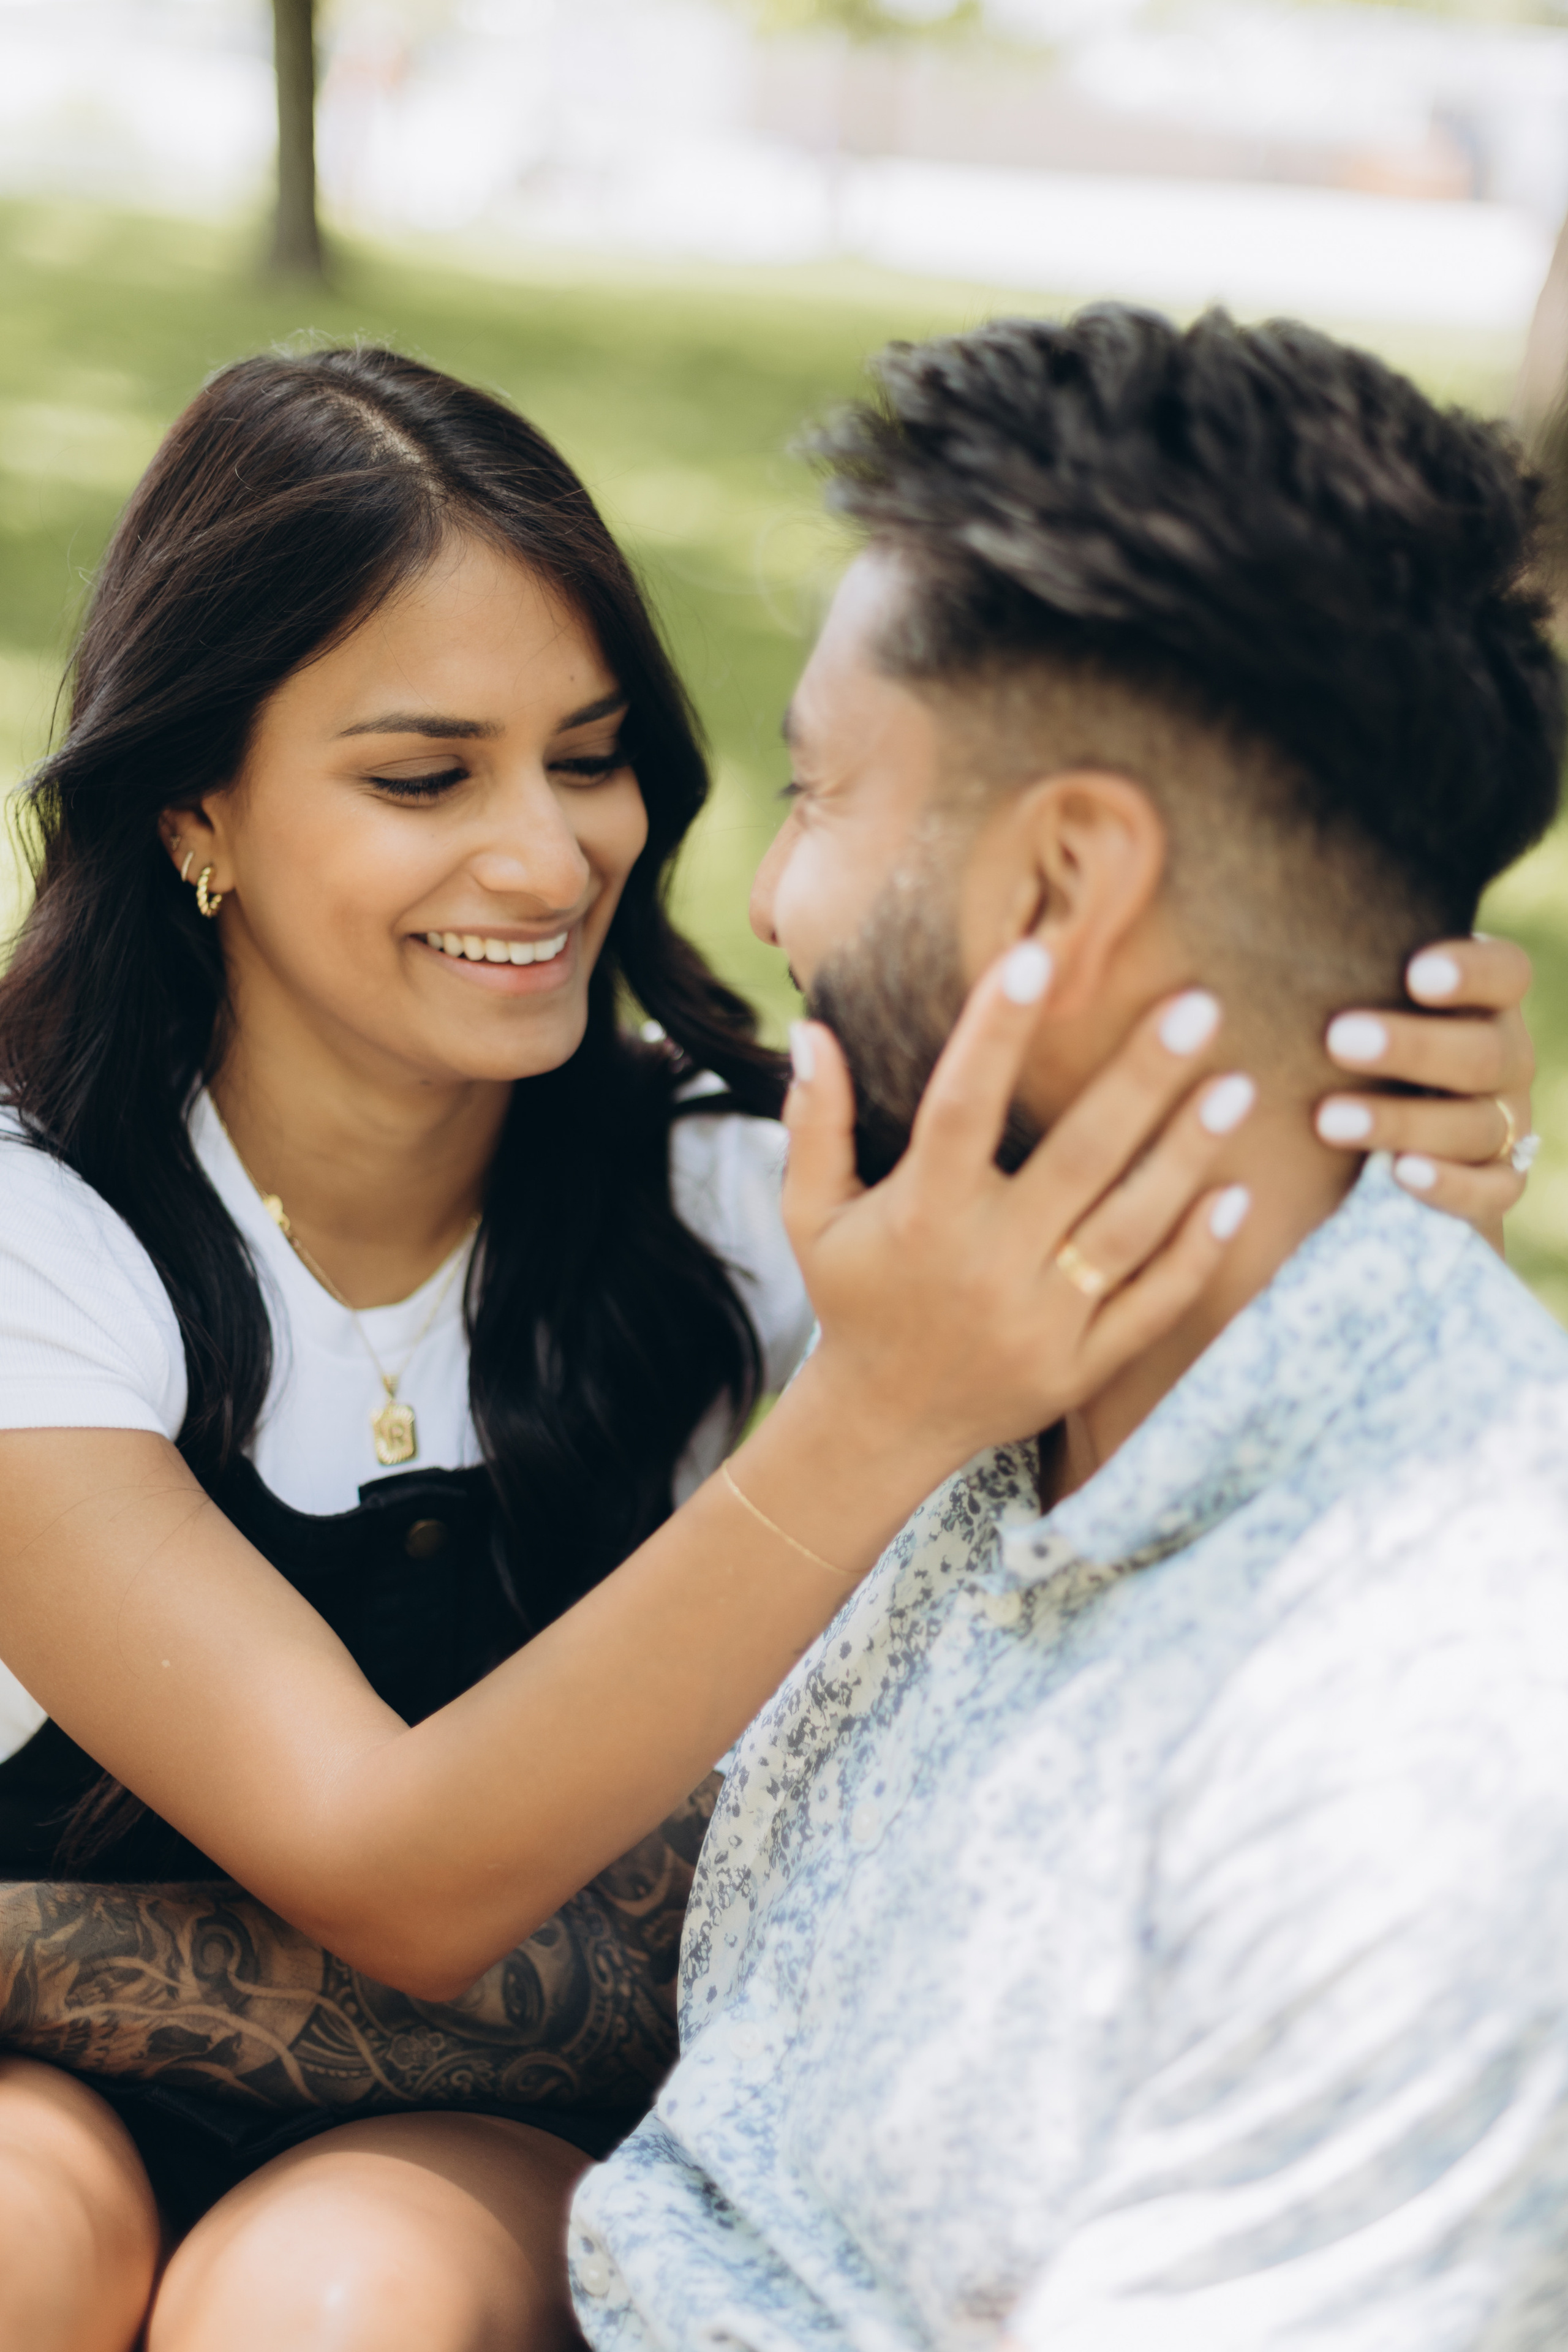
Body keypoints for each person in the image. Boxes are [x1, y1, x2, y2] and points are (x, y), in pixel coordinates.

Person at [0, 340, 1534, 2352]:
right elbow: (384, 1857)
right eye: (424, 777)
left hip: (477, 2140)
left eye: (591, 758)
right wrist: (878, 1411)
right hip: (74, 2091)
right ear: (195, 805)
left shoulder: (740, 1192)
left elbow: (1152, 1231)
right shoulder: (48, 1237)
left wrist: (1371, 1100)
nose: (549, 859)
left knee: (337, 2297)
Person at [564, 307, 1568, 2351]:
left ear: (1060, 891)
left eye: (821, 794)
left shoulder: (1438, 1733)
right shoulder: (1005, 1370)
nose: (767, 902)